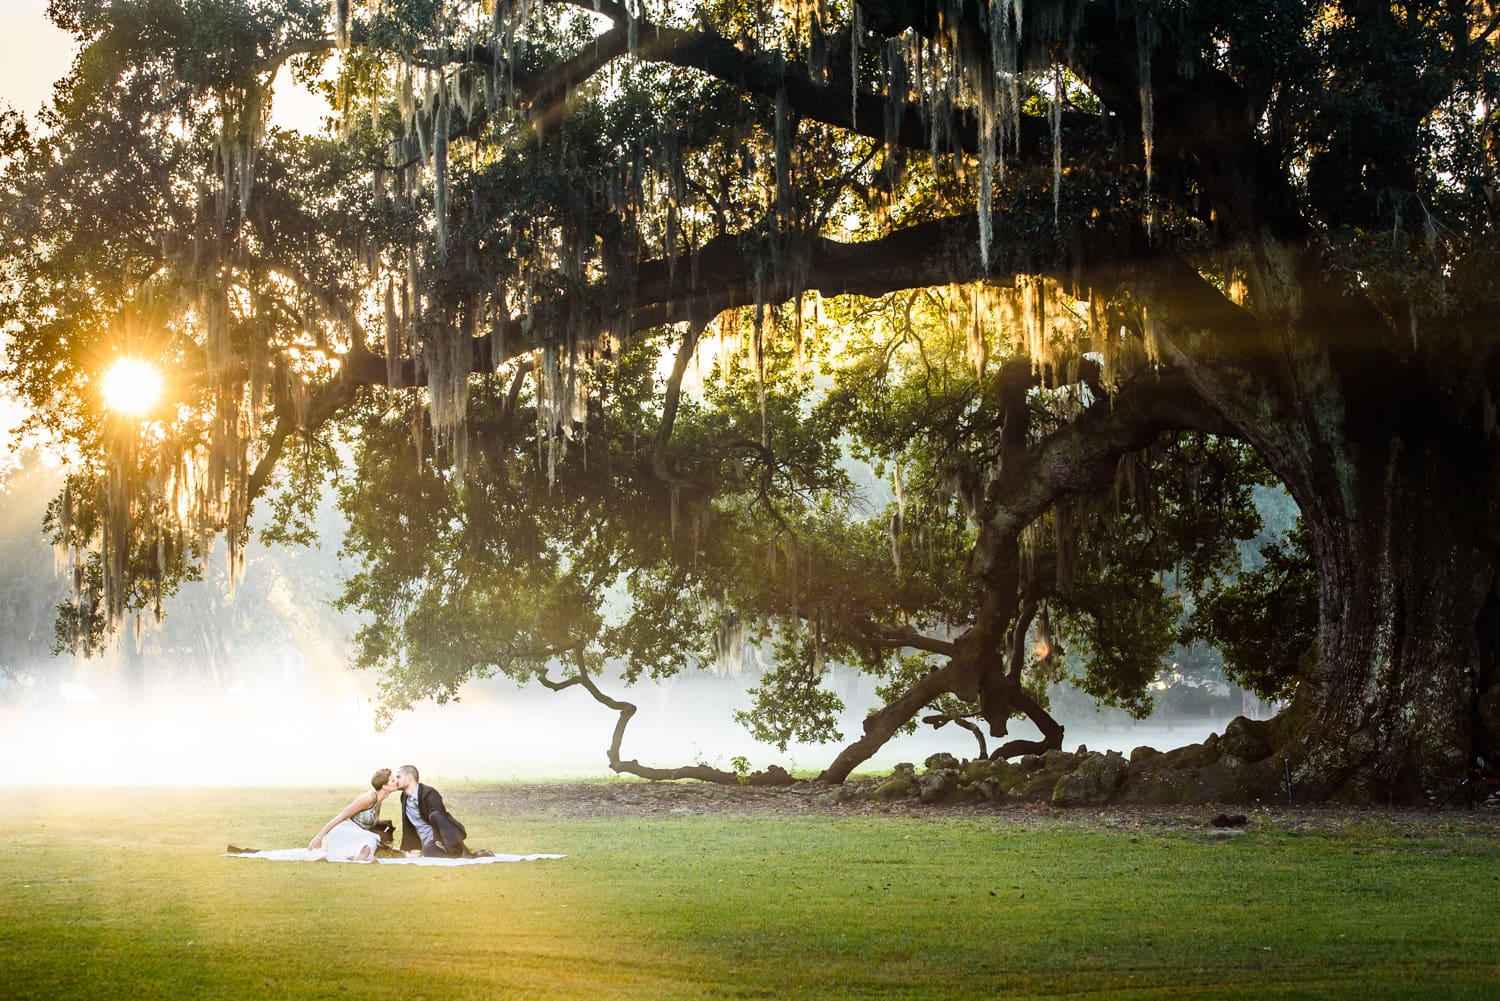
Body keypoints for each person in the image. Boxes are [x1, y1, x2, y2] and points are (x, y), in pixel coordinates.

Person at [395, 764, 490, 858]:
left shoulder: (429, 793)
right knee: (427, 850)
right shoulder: (404, 797)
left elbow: (441, 819)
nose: (396, 780)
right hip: (428, 843)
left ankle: (464, 850)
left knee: (435, 815)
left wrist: (438, 840)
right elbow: (407, 825)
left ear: (409, 777)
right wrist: (408, 848)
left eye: (398, 777)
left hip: (443, 838)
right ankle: (458, 855)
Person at [308, 767, 399, 861]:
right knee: (373, 838)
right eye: (393, 780)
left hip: (356, 834)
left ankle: (357, 855)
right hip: (343, 832)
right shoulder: (369, 798)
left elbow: (370, 822)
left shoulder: (379, 800)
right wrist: (319, 837)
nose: (396, 781)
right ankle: (358, 855)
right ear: (385, 786)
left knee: (374, 839)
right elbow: (342, 815)